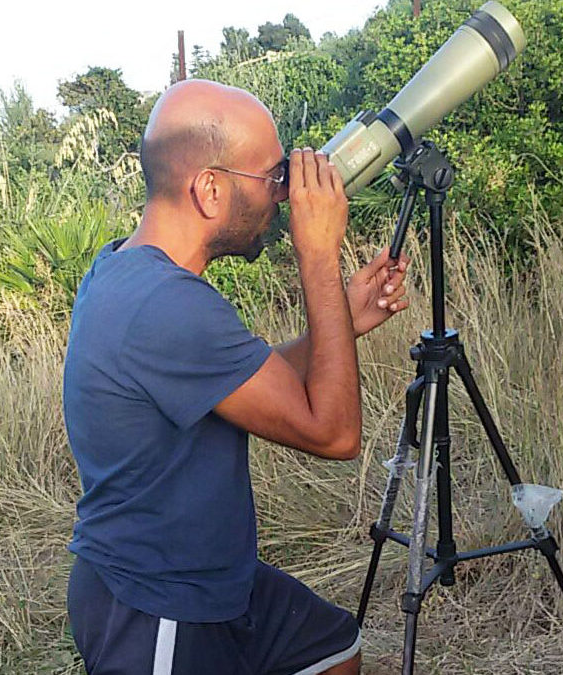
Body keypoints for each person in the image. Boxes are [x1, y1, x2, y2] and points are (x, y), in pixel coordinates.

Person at [62, 79, 410, 675]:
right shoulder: (166, 306)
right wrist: (319, 255)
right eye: (271, 176)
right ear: (210, 189)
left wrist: (341, 324)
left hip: (213, 575)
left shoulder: (126, 269)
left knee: (333, 651)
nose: (281, 194)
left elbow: (232, 379)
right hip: (158, 602)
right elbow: (334, 435)